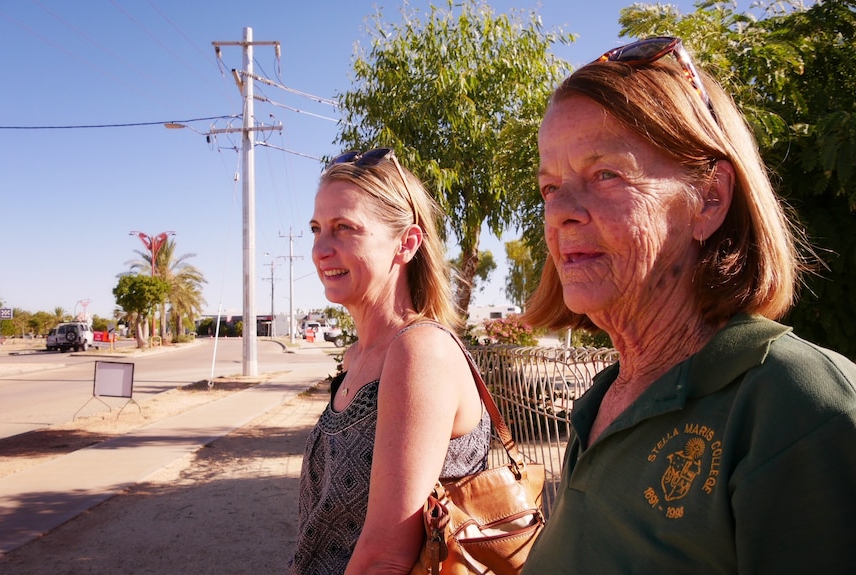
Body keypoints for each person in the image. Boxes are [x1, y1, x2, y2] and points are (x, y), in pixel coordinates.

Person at [521, 37, 856, 573]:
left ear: (709, 199)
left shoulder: (799, 407)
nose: (560, 211)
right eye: (549, 186)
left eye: (605, 174)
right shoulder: (604, 400)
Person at [288, 148, 490, 574]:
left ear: (407, 243)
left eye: (345, 228)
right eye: (316, 228)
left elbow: (386, 557)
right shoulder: (357, 357)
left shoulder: (420, 352)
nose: (321, 249)